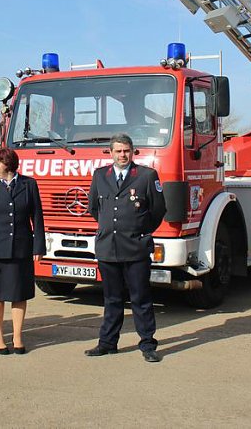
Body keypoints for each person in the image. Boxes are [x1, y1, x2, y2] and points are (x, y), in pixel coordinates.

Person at [85, 133, 166, 363]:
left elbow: (158, 210)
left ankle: (148, 344)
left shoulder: (146, 176)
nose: (122, 155)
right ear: (110, 153)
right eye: (118, 151)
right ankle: (108, 343)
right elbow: (94, 207)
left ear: (133, 152)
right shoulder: (101, 175)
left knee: (140, 298)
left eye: (126, 151)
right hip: (108, 247)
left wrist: (139, 230)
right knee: (111, 298)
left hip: (136, 247)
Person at [0, 147, 45, 355]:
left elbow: (37, 217)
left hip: (22, 248)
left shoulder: (29, 184)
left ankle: (17, 336)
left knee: (19, 293)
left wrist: (38, 246)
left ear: (7, 163)